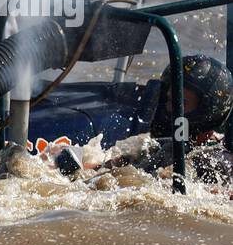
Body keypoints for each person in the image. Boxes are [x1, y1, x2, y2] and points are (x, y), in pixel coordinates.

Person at [99, 55, 233, 184]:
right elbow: (113, 167)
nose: (170, 109)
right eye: (170, 100)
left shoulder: (216, 162)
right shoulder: (160, 146)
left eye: (181, 103)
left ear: (206, 112)